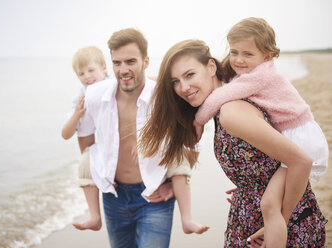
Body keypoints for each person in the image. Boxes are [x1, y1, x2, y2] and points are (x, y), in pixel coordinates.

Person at [140, 39, 327, 247]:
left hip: (281, 225)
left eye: (189, 75)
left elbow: (301, 161)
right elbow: (269, 160)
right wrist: (250, 185)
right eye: (175, 81)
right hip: (252, 218)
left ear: (211, 67)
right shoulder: (219, 109)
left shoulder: (231, 112)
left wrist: (280, 219)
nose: (183, 87)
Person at [192, 17, 329, 247]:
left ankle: (277, 234)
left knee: (270, 206)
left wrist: (198, 121)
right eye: (234, 52)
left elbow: (220, 96)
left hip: (299, 138)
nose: (238, 60)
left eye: (248, 54)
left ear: (268, 56)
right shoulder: (254, 73)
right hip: (293, 134)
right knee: (270, 203)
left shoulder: (260, 75)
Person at [76, 28, 200, 248]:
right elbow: (85, 138)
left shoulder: (164, 97)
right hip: (114, 196)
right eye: (117, 63)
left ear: (146, 61)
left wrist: (172, 187)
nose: (123, 69)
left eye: (130, 61)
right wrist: (99, 170)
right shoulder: (95, 95)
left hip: (154, 195)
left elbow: (191, 142)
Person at [61, 46, 108, 231]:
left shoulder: (115, 84)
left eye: (91, 70)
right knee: (85, 163)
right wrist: (77, 114)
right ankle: (94, 216)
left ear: (104, 67)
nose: (87, 76)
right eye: (81, 73)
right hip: (96, 148)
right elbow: (65, 134)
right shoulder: (81, 97)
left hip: (119, 140)